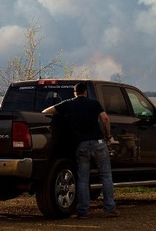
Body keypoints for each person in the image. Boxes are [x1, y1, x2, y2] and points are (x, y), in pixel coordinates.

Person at [42, 82, 118, 218]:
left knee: (83, 178)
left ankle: (83, 211)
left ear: (74, 93)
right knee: (106, 175)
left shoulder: (68, 104)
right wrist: (107, 135)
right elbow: (105, 119)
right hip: (98, 143)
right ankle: (109, 208)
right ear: (86, 92)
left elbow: (46, 111)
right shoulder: (94, 103)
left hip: (81, 145)